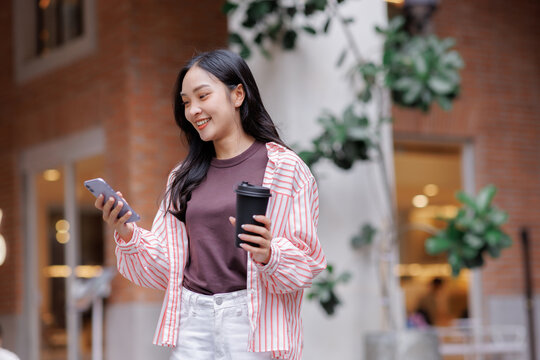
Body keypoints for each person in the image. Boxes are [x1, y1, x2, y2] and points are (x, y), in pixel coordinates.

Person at [95, 49, 326, 359]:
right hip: (192, 319)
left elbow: (307, 265)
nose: (193, 110)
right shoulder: (183, 176)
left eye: (202, 96)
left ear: (238, 95)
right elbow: (166, 268)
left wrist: (270, 252)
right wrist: (127, 231)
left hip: (252, 320)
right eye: (186, 102)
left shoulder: (286, 169)